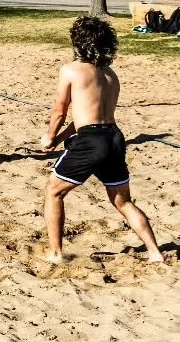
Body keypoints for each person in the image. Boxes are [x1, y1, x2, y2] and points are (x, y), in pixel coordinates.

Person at [41, 16, 164, 265]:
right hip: (114, 137)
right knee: (123, 201)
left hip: (92, 141)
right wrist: (62, 138)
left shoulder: (72, 70)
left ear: (78, 43)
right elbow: (87, 117)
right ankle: (155, 252)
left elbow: (60, 111)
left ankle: (55, 253)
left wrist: (50, 136)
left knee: (53, 192)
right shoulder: (111, 75)